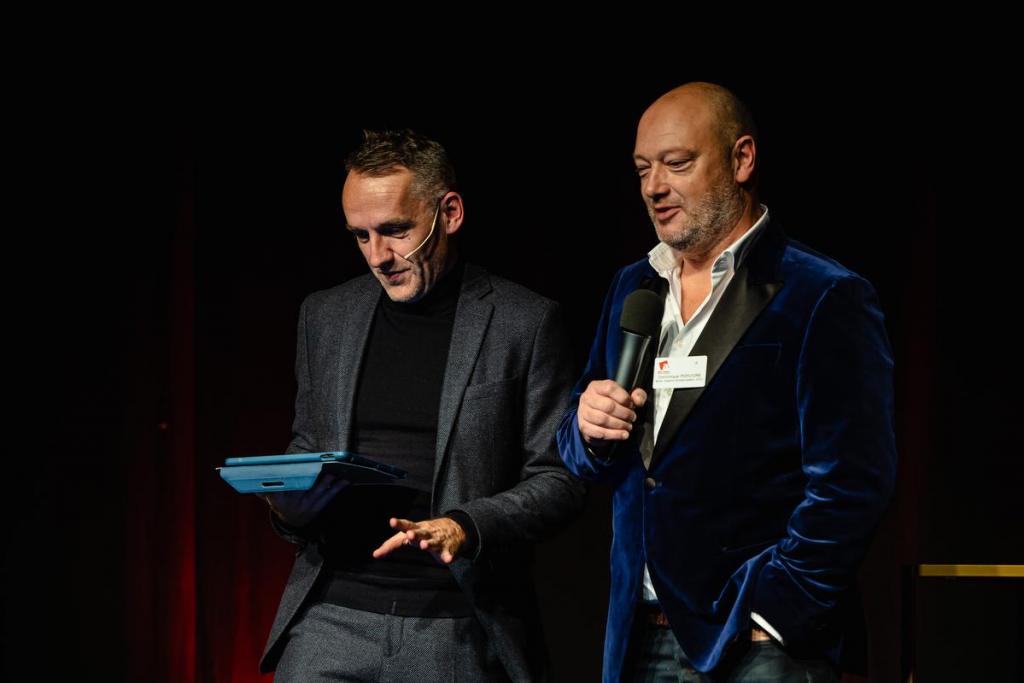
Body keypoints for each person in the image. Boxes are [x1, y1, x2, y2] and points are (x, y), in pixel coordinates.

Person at [556, 82, 897, 681]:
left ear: (741, 159)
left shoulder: (821, 293)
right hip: (638, 635)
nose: (654, 187)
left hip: (757, 646)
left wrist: (777, 611)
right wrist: (586, 429)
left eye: (676, 163)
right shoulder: (633, 287)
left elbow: (852, 480)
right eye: (643, 169)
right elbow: (585, 450)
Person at [258, 129, 584, 681]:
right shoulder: (326, 316)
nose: (378, 256)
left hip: (454, 622)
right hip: (330, 618)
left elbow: (559, 479)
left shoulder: (523, 322)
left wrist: (464, 525)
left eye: (395, 231)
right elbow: (308, 444)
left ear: (449, 213)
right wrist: (289, 502)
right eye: (360, 236)